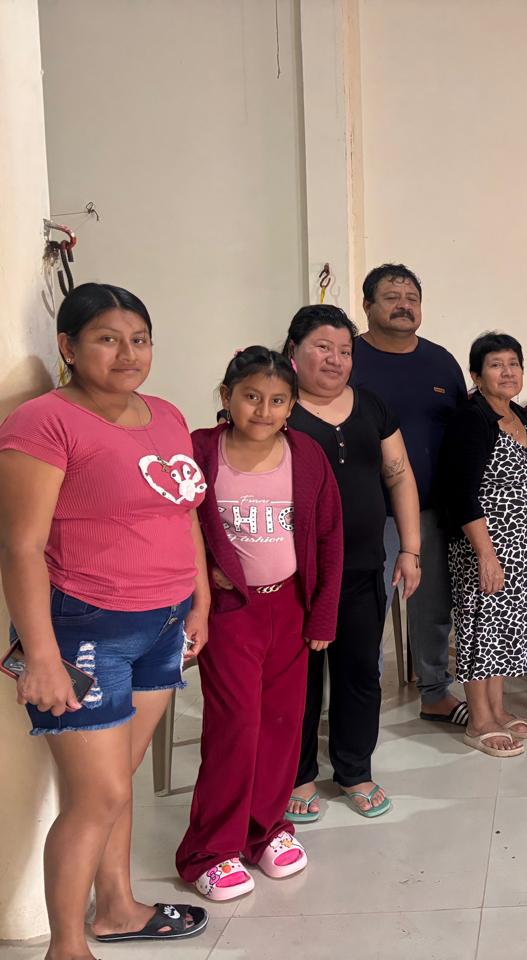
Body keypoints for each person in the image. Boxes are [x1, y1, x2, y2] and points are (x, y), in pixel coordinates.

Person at [0, 283, 209, 957]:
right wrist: (40, 655)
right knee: (97, 796)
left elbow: (182, 512)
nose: (128, 354)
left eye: (139, 339)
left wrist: (200, 600)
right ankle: (66, 947)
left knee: (118, 784)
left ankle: (117, 908)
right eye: (107, 339)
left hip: (163, 623)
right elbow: (20, 546)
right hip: (84, 628)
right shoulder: (43, 422)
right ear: (67, 346)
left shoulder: (166, 415)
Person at [175, 347, 343, 900]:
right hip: (231, 614)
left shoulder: (307, 455)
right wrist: (205, 574)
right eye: (251, 397)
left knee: (281, 724)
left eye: (277, 400)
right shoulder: (200, 450)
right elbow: (175, 521)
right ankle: (211, 849)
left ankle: (265, 828)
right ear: (227, 397)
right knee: (236, 727)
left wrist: (322, 613)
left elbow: (329, 535)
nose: (263, 410)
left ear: (292, 406)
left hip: (290, 609)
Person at [283, 305, 422, 820]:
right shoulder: (278, 407)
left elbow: (398, 474)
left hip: (363, 565)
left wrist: (410, 548)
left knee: (361, 671)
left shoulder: (371, 405)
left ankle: (354, 769)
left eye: (344, 350)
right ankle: (297, 774)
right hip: (295, 574)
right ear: (293, 351)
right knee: (299, 676)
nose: (335, 359)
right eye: (323, 347)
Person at [350, 263, 469, 727]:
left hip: (432, 509)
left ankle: (435, 691)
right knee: (367, 611)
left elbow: (463, 429)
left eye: (412, 298)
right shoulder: (349, 358)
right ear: (367, 306)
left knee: (434, 606)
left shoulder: (440, 361)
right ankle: (358, 705)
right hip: (368, 512)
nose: (404, 306)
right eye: (391, 297)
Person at [439, 333, 527, 758]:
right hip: (485, 545)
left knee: (501, 632)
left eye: (513, 364)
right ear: (476, 375)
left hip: (524, 547)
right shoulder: (471, 419)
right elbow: (460, 493)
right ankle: (479, 719)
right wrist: (486, 555)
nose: (507, 372)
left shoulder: (519, 415)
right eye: (496, 365)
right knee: (480, 631)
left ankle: (498, 710)